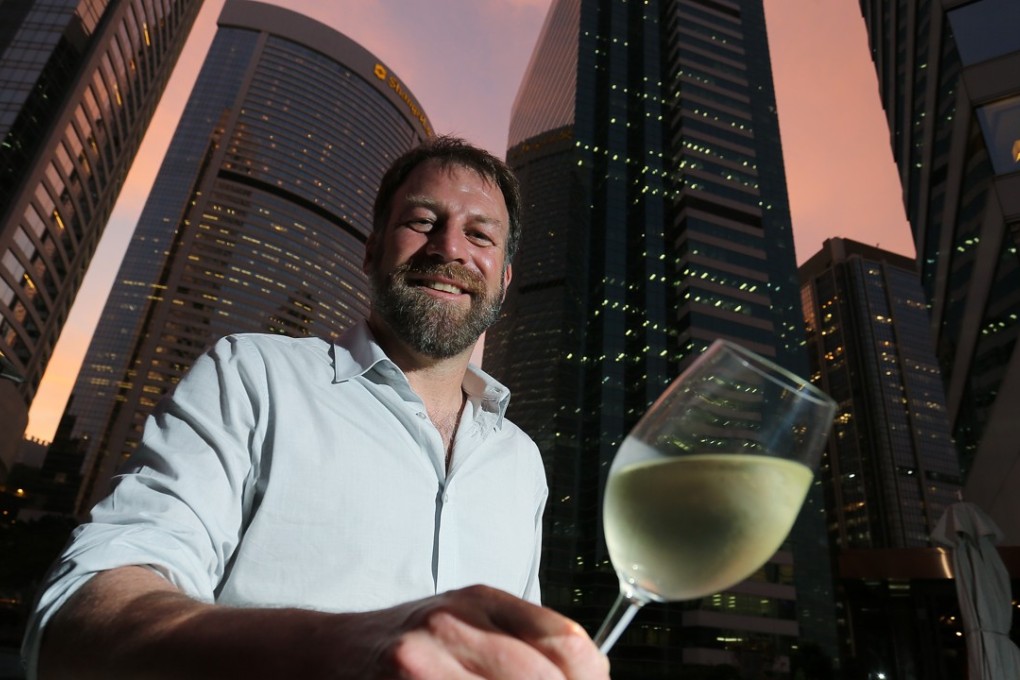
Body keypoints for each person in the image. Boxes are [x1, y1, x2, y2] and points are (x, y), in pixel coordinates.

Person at [23, 136, 609, 679]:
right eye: (422, 221)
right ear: (373, 249)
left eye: (479, 235)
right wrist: (351, 647)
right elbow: (80, 612)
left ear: (504, 281)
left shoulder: (521, 461)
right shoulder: (252, 374)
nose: (449, 247)